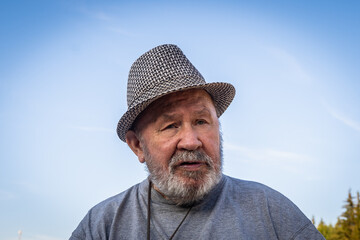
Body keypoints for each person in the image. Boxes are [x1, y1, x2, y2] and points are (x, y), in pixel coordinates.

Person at [70, 44, 325, 240]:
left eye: (202, 121)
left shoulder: (270, 211)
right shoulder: (101, 225)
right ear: (137, 145)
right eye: (171, 126)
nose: (191, 142)